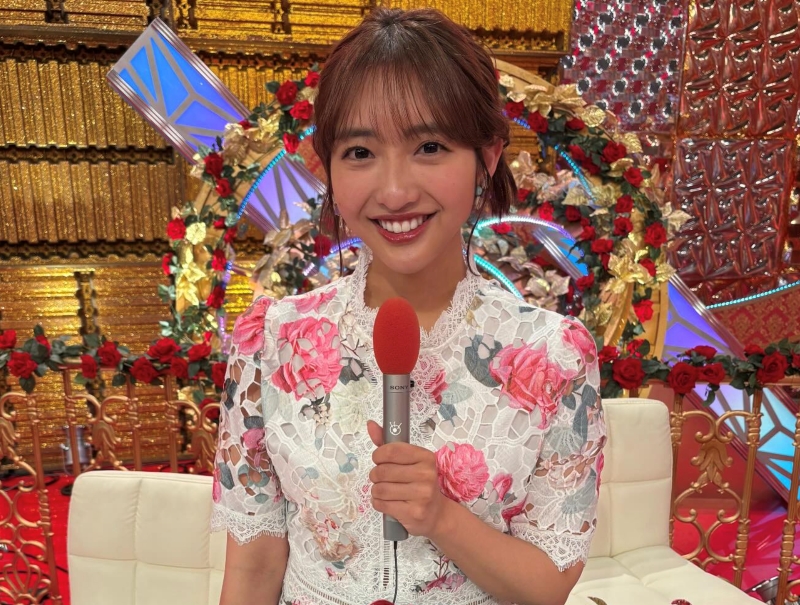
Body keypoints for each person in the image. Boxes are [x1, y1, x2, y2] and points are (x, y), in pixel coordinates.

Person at [211, 7, 606, 605]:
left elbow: (547, 587)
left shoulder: (552, 355)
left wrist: (442, 517)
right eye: (360, 152)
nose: (394, 192)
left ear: (487, 157)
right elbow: (252, 568)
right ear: (327, 167)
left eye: (429, 146)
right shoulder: (271, 341)